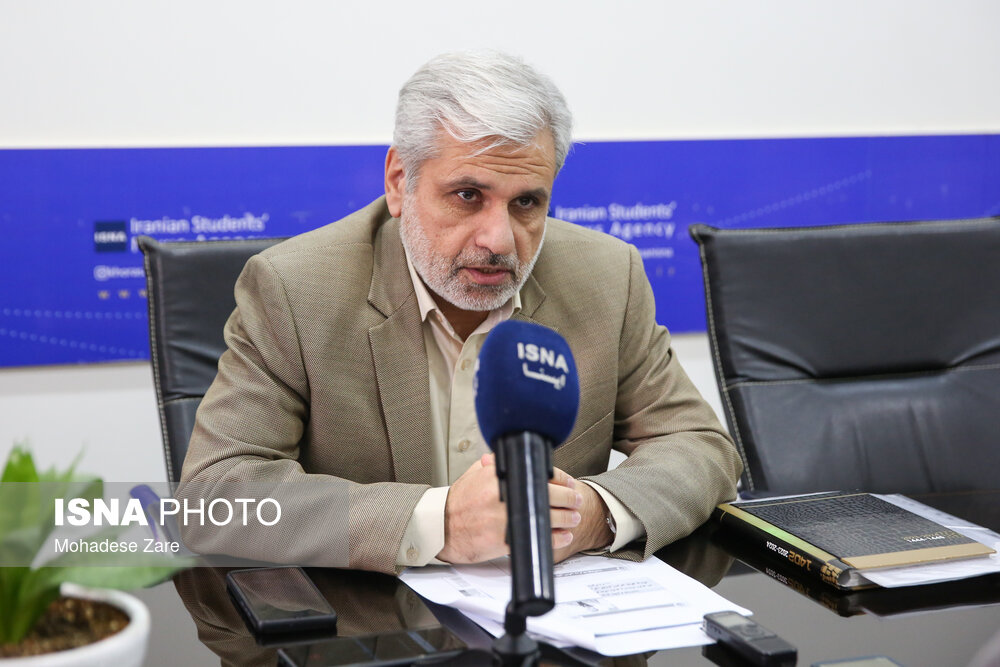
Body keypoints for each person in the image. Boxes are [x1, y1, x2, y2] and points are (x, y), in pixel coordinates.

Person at [176, 51, 742, 575]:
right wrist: (436, 523)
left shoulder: (607, 277)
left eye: (526, 202)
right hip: (371, 624)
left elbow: (699, 445)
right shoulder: (294, 289)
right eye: (468, 195)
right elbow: (214, 496)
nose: (499, 240)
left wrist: (594, 514)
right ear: (400, 182)